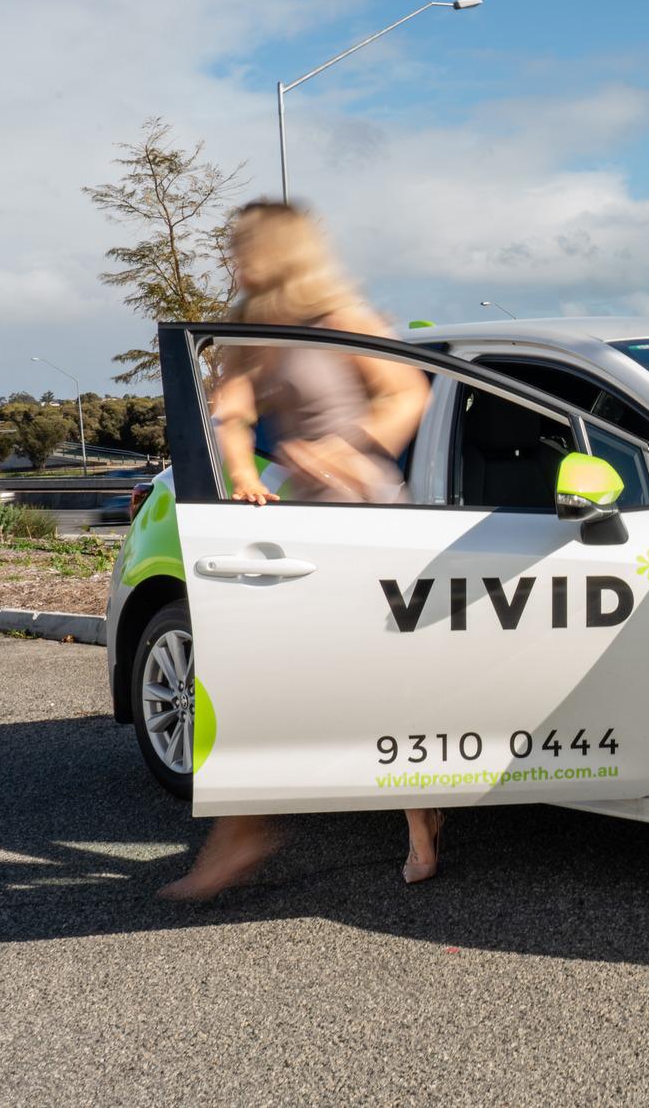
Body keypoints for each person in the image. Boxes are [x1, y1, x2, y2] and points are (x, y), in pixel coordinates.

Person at [158, 200, 440, 901]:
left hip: (369, 518)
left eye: (243, 245)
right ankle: (241, 832)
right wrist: (244, 475)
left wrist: (346, 447)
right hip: (305, 522)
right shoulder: (252, 328)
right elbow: (233, 410)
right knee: (254, 674)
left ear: (281, 249)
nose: (233, 257)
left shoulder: (340, 316)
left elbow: (407, 393)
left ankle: (421, 819)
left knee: (381, 682)